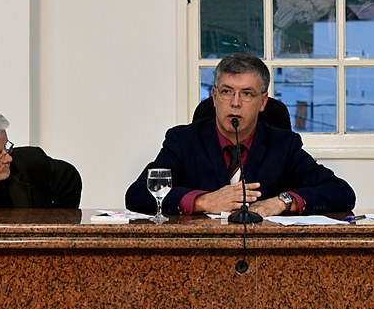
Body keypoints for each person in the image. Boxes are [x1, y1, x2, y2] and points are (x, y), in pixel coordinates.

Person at [125, 53, 356, 217]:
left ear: (262, 102)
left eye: (247, 94)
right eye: (227, 92)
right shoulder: (183, 140)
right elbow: (137, 194)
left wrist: (282, 202)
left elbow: (341, 192)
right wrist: (203, 201)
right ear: (214, 97)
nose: (235, 103)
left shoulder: (283, 144)